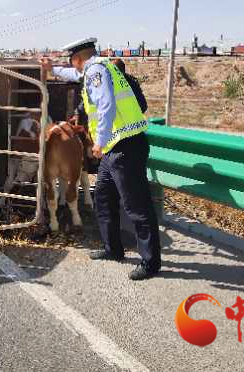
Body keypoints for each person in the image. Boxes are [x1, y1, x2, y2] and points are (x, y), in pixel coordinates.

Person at [40, 38, 162, 280]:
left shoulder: (96, 71)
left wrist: (100, 141)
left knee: (137, 206)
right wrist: (51, 69)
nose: (72, 66)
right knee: (104, 196)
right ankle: (113, 249)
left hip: (124, 145)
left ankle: (150, 262)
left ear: (77, 59)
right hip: (115, 147)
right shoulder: (98, 67)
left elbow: (106, 105)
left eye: (72, 62)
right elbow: (73, 76)